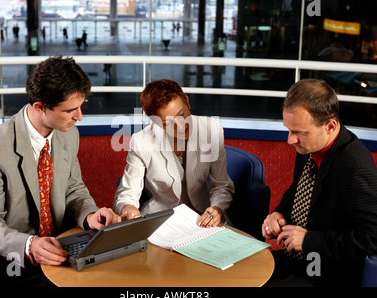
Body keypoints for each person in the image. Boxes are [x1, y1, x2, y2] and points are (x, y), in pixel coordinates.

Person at [0, 56, 121, 287]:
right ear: (39, 107)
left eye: (81, 106)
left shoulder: (69, 134)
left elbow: (74, 189)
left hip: (62, 250)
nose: (79, 117)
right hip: (11, 262)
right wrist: (30, 245)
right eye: (70, 110)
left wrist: (90, 215)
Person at [262, 78, 377, 287]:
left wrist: (309, 240)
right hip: (300, 261)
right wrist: (278, 214)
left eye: (299, 132)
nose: (290, 140)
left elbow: (372, 238)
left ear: (330, 126)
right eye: (289, 129)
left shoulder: (357, 168)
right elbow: (299, 189)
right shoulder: (309, 144)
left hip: (327, 272)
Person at [113, 79, 234, 227]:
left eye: (181, 114)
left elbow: (221, 185)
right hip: (161, 220)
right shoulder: (141, 141)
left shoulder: (211, 129)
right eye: (168, 123)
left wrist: (217, 209)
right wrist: (129, 208)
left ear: (187, 102)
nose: (181, 126)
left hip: (204, 215)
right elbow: (126, 195)